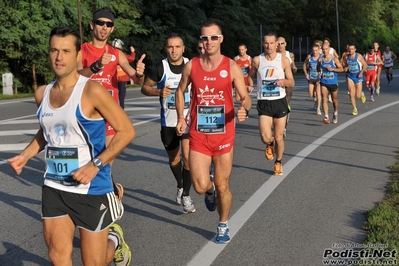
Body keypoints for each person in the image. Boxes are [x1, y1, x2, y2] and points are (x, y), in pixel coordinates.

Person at [8, 26, 134, 266]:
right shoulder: (42, 93)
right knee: (57, 256)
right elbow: (49, 131)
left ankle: (114, 242)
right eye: (54, 50)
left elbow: (126, 131)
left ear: (77, 56)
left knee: (94, 262)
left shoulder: (91, 91)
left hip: (90, 187)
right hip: (54, 185)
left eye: (66, 51)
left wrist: (96, 165)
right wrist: (25, 156)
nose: (59, 57)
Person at [175, 19, 251, 244]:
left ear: (221, 39)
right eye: (204, 38)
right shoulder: (192, 66)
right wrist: (181, 116)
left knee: (223, 184)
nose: (209, 42)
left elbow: (245, 97)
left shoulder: (231, 67)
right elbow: (180, 91)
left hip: (224, 134)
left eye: (213, 37)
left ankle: (223, 224)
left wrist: (244, 109)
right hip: (199, 134)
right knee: (199, 186)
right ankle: (209, 192)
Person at [77, 7, 145, 199]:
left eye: (109, 24)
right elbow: (74, 76)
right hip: (86, 114)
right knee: (87, 161)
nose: (104, 27)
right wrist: (95, 67)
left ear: (112, 29)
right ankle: (111, 192)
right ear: (92, 25)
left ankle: (108, 205)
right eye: (100, 23)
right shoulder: (82, 50)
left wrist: (139, 72)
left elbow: (136, 78)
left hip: (109, 115)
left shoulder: (116, 53)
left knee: (105, 162)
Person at [141, 33, 195, 213]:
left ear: (183, 48)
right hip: (168, 123)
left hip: (187, 121)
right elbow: (144, 88)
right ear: (166, 49)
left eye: (177, 47)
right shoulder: (160, 68)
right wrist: (158, 92)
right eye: (170, 47)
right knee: (175, 158)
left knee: (188, 159)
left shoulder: (191, 65)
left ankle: (187, 195)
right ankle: (180, 185)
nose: (174, 50)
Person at [247, 33, 295, 176]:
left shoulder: (284, 60)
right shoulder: (257, 60)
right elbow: (250, 75)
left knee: (279, 136)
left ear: (276, 44)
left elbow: (292, 81)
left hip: (280, 101)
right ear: (263, 44)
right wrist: (250, 85)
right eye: (266, 43)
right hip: (264, 102)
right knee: (265, 136)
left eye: (272, 43)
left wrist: (284, 82)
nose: (269, 46)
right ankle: (269, 144)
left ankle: (278, 162)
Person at [318, 43, 344, 124]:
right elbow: (318, 67)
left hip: (333, 82)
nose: (324, 51)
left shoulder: (334, 59)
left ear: (329, 49)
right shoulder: (320, 59)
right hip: (324, 82)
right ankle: (326, 116)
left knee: (334, 100)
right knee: (324, 97)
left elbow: (341, 69)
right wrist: (319, 72)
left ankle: (335, 112)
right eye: (323, 49)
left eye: (326, 49)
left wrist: (332, 69)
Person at [277, 36, 297, 138]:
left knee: (285, 103)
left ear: (285, 44)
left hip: (287, 81)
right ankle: (279, 124)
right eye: (278, 43)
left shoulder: (290, 55)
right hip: (277, 82)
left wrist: (293, 67)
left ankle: (284, 127)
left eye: (282, 43)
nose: (280, 45)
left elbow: (293, 64)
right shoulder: (274, 54)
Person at [343, 43, 367, 116]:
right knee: (351, 93)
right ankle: (355, 109)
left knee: (358, 96)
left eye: (352, 49)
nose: (350, 50)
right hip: (350, 76)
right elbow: (344, 66)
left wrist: (361, 72)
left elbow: (365, 65)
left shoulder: (358, 56)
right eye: (349, 49)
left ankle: (361, 94)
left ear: (355, 49)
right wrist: (345, 68)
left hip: (358, 76)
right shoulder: (346, 57)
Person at [111, 38, 136, 109]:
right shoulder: (121, 54)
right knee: (121, 94)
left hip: (113, 78)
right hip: (122, 78)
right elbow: (131, 58)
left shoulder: (110, 53)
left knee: (113, 93)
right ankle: (121, 108)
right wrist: (133, 52)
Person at [303, 43, 322, 115]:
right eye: (313, 50)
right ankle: (315, 101)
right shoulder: (309, 57)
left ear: (319, 50)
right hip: (311, 77)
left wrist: (322, 72)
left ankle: (318, 108)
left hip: (318, 78)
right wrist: (306, 74)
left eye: (316, 50)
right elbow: (304, 65)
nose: (315, 52)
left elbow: (325, 66)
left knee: (318, 93)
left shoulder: (321, 57)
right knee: (311, 94)